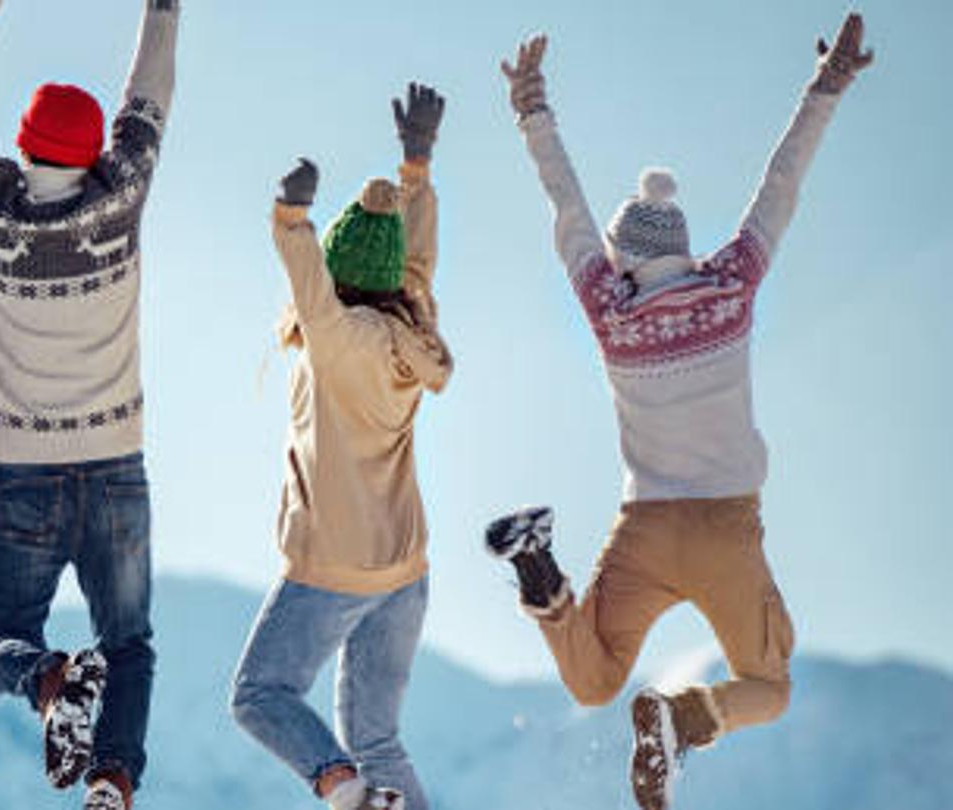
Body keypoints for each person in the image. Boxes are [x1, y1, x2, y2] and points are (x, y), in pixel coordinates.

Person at [485, 15, 873, 810]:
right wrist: (825, 87)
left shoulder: (609, 309)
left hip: (647, 527)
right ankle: (684, 721)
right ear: (685, 249)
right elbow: (780, 189)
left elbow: (569, 212)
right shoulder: (729, 285)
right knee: (769, 683)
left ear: (626, 259)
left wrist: (532, 109)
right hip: (728, 528)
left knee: (592, 681)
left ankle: (539, 571)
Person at [0, 1, 178, 808]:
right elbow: (151, 90)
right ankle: (111, 780)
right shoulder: (119, 200)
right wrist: (163, 8)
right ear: (92, 151)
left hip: (22, 472)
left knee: (0, 644)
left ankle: (47, 679)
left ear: (27, 146)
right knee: (130, 645)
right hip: (116, 467)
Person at [229, 83, 451, 810]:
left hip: (334, 567)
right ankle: (373, 790)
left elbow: (311, 288)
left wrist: (290, 220)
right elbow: (415, 265)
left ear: (335, 272)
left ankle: (345, 792)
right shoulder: (412, 330)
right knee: (379, 738)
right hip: (404, 568)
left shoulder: (336, 340)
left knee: (260, 695)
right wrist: (415, 169)